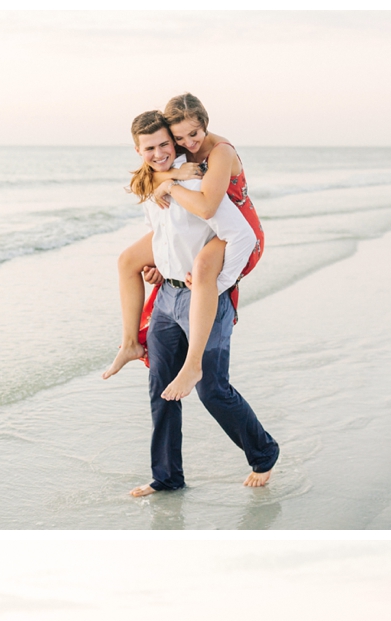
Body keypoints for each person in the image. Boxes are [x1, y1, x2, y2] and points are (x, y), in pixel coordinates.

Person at [117, 111, 279, 497]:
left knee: (212, 389)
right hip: (168, 297)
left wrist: (222, 282)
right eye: (150, 147)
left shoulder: (195, 176)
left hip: (206, 297)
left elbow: (235, 232)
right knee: (161, 388)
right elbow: (165, 233)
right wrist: (157, 265)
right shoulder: (156, 179)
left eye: (164, 145)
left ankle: (263, 453)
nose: (159, 153)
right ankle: (167, 477)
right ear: (138, 150)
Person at [105, 95, 264, 408]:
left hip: (236, 229)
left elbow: (207, 207)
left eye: (194, 134)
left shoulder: (219, 152)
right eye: (178, 138)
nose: (188, 143)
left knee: (204, 266)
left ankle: (193, 366)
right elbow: (146, 179)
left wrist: (222, 283)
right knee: (128, 260)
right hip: (209, 221)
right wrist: (164, 263)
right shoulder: (174, 153)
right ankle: (129, 343)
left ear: (205, 124)